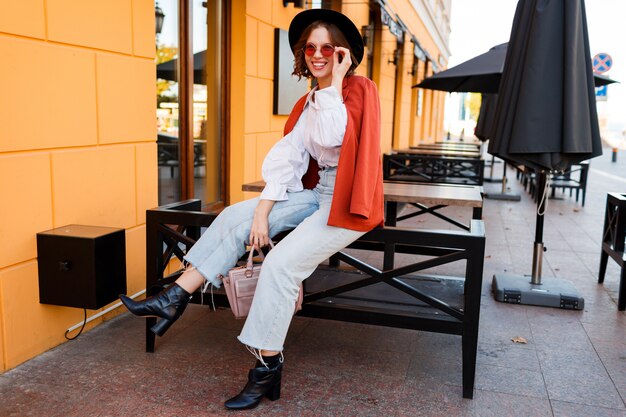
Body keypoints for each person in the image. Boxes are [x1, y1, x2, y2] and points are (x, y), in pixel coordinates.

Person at [119, 8, 383, 410]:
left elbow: (337, 134)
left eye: (327, 47)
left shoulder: (359, 90)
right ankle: (173, 296)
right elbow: (289, 160)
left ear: (343, 53)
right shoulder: (308, 101)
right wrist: (261, 213)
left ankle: (266, 369)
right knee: (234, 216)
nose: (317, 54)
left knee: (281, 266)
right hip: (315, 193)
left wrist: (339, 80)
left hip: (347, 203)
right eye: (310, 47)